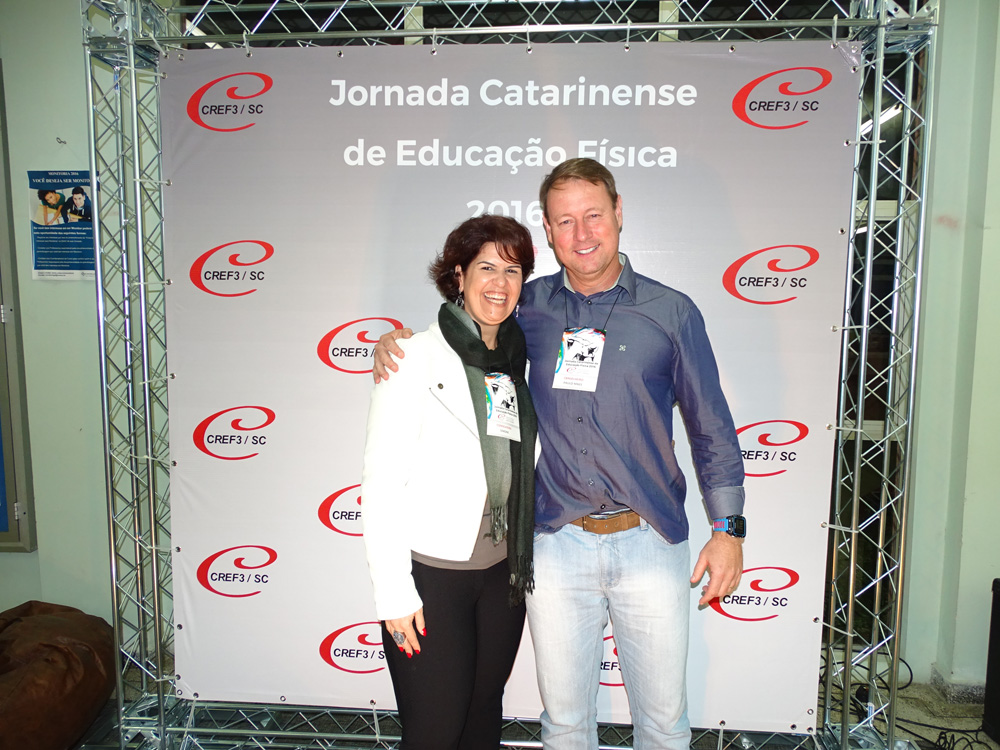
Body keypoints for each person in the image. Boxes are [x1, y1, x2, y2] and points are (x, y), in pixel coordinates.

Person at [373, 158, 747, 750]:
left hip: (650, 540)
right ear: (548, 230)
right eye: (564, 221)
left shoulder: (671, 312)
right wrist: (398, 342)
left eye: (593, 215)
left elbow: (712, 430)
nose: (582, 234)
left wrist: (728, 530)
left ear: (618, 213)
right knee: (565, 724)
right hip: (555, 546)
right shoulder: (528, 307)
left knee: (664, 725)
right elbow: (467, 329)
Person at [361, 214, 538, 750]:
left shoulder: (518, 361)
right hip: (433, 578)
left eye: (512, 271)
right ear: (458, 275)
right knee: (435, 731)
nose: (500, 283)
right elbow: (381, 482)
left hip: (504, 574)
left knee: (483, 720)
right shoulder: (410, 357)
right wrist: (394, 594)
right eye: (486, 268)